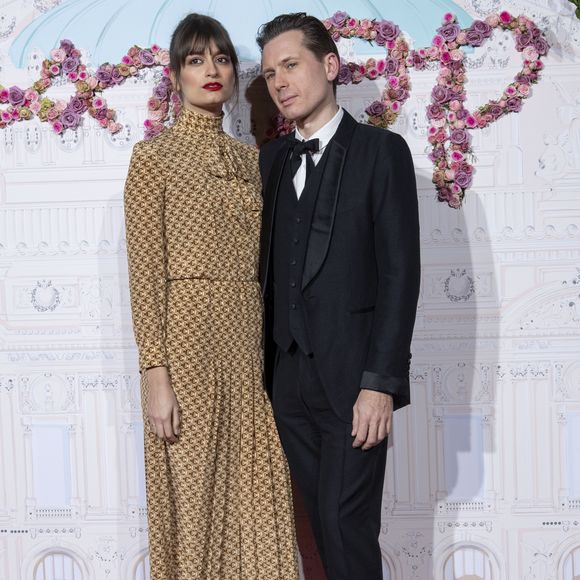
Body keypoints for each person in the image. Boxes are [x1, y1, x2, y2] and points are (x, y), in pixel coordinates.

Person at [123, 13, 298, 580]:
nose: (212, 70)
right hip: (188, 354)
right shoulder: (153, 159)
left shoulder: (255, 161)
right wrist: (155, 372)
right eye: (196, 60)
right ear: (176, 75)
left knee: (257, 510)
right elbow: (146, 273)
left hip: (249, 358)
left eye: (221, 58)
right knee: (195, 506)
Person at [256, 13, 421, 580]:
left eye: (291, 65)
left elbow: (401, 276)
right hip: (288, 381)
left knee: (345, 523)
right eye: (270, 73)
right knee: (322, 531)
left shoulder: (383, 152)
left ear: (329, 66)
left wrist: (380, 384)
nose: (279, 82)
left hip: (355, 382)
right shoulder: (271, 161)